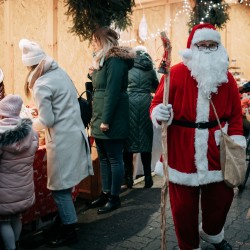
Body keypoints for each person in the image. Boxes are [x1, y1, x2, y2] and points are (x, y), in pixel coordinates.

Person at [150, 23, 245, 250]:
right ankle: (189, 245)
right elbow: (156, 103)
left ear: (219, 48)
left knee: (221, 199)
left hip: (216, 147)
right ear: (192, 47)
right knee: (183, 208)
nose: (207, 50)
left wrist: (238, 139)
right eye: (202, 45)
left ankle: (212, 234)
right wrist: (159, 113)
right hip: (181, 147)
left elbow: (235, 115)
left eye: (212, 46)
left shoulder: (227, 78)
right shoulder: (176, 74)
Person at [19, 38, 93, 247]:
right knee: (65, 185)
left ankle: (69, 232)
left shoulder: (41, 83)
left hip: (61, 140)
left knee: (59, 188)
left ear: (29, 66)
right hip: (74, 134)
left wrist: (26, 123)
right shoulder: (59, 73)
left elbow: (48, 120)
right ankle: (63, 223)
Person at [88, 26, 135, 214]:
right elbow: (102, 86)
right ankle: (106, 193)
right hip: (100, 113)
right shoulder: (103, 60)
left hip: (110, 116)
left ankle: (115, 197)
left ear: (104, 41)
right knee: (104, 158)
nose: (92, 43)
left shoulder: (114, 60)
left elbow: (112, 92)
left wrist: (106, 120)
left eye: (95, 40)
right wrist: (92, 74)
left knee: (114, 159)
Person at [0, 94, 39, 250]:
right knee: (16, 217)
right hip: (23, 187)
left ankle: (11, 248)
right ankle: (16, 244)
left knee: (3, 221)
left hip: (4, 191)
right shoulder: (31, 132)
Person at [123, 45, 159, 188]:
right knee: (145, 140)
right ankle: (148, 178)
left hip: (129, 103)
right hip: (145, 104)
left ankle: (128, 179)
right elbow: (156, 87)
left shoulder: (128, 66)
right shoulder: (150, 68)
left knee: (127, 142)